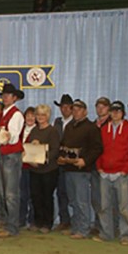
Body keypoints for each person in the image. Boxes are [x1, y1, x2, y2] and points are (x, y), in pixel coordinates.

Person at [94, 101, 128, 245]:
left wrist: (126, 169)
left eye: (118, 111)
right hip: (105, 173)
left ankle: (125, 235)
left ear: (123, 113)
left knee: (123, 206)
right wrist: (99, 166)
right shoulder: (104, 129)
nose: (115, 114)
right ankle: (107, 233)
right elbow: (99, 149)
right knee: (104, 205)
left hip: (121, 174)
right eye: (113, 111)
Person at [58, 99, 103, 239]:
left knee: (81, 200)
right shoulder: (70, 126)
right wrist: (60, 156)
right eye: (74, 109)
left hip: (82, 170)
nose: (76, 112)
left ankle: (83, 229)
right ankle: (76, 227)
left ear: (85, 111)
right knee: (72, 200)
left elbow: (98, 148)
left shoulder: (91, 127)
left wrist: (85, 160)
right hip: (69, 167)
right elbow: (63, 144)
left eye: (78, 109)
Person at [0, 84, 24, 238]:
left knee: (10, 194)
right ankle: (8, 223)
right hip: (3, 155)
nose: (5, 97)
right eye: (4, 95)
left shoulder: (16, 114)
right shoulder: (3, 114)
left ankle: (12, 227)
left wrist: (2, 137)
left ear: (14, 98)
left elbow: (13, 137)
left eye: (8, 95)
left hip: (11, 156)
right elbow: (1, 139)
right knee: (3, 193)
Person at [28, 104, 60, 234]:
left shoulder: (52, 131)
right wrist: (30, 160)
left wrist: (41, 161)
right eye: (38, 115)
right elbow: (29, 147)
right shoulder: (34, 130)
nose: (40, 117)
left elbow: (55, 150)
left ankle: (47, 223)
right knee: (35, 196)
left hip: (49, 170)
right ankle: (38, 221)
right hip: (34, 170)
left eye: (43, 115)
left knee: (47, 196)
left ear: (47, 116)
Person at [53, 94, 74, 231]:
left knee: (74, 193)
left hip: (72, 162)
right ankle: (64, 219)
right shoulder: (57, 122)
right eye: (62, 107)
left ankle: (77, 220)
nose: (64, 109)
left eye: (67, 107)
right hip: (58, 162)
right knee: (61, 192)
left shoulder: (76, 122)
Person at [91, 97, 111, 235]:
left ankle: (109, 226)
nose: (100, 109)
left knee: (108, 199)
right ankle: (99, 225)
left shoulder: (112, 124)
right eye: (98, 106)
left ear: (108, 108)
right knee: (96, 198)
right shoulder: (94, 124)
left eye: (103, 106)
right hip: (94, 164)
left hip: (108, 165)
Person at [20, 106, 36, 229]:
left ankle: (32, 220)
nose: (30, 118)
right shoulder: (20, 130)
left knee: (32, 195)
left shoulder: (38, 131)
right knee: (21, 194)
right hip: (20, 166)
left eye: (32, 115)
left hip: (33, 167)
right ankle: (21, 219)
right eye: (28, 115)